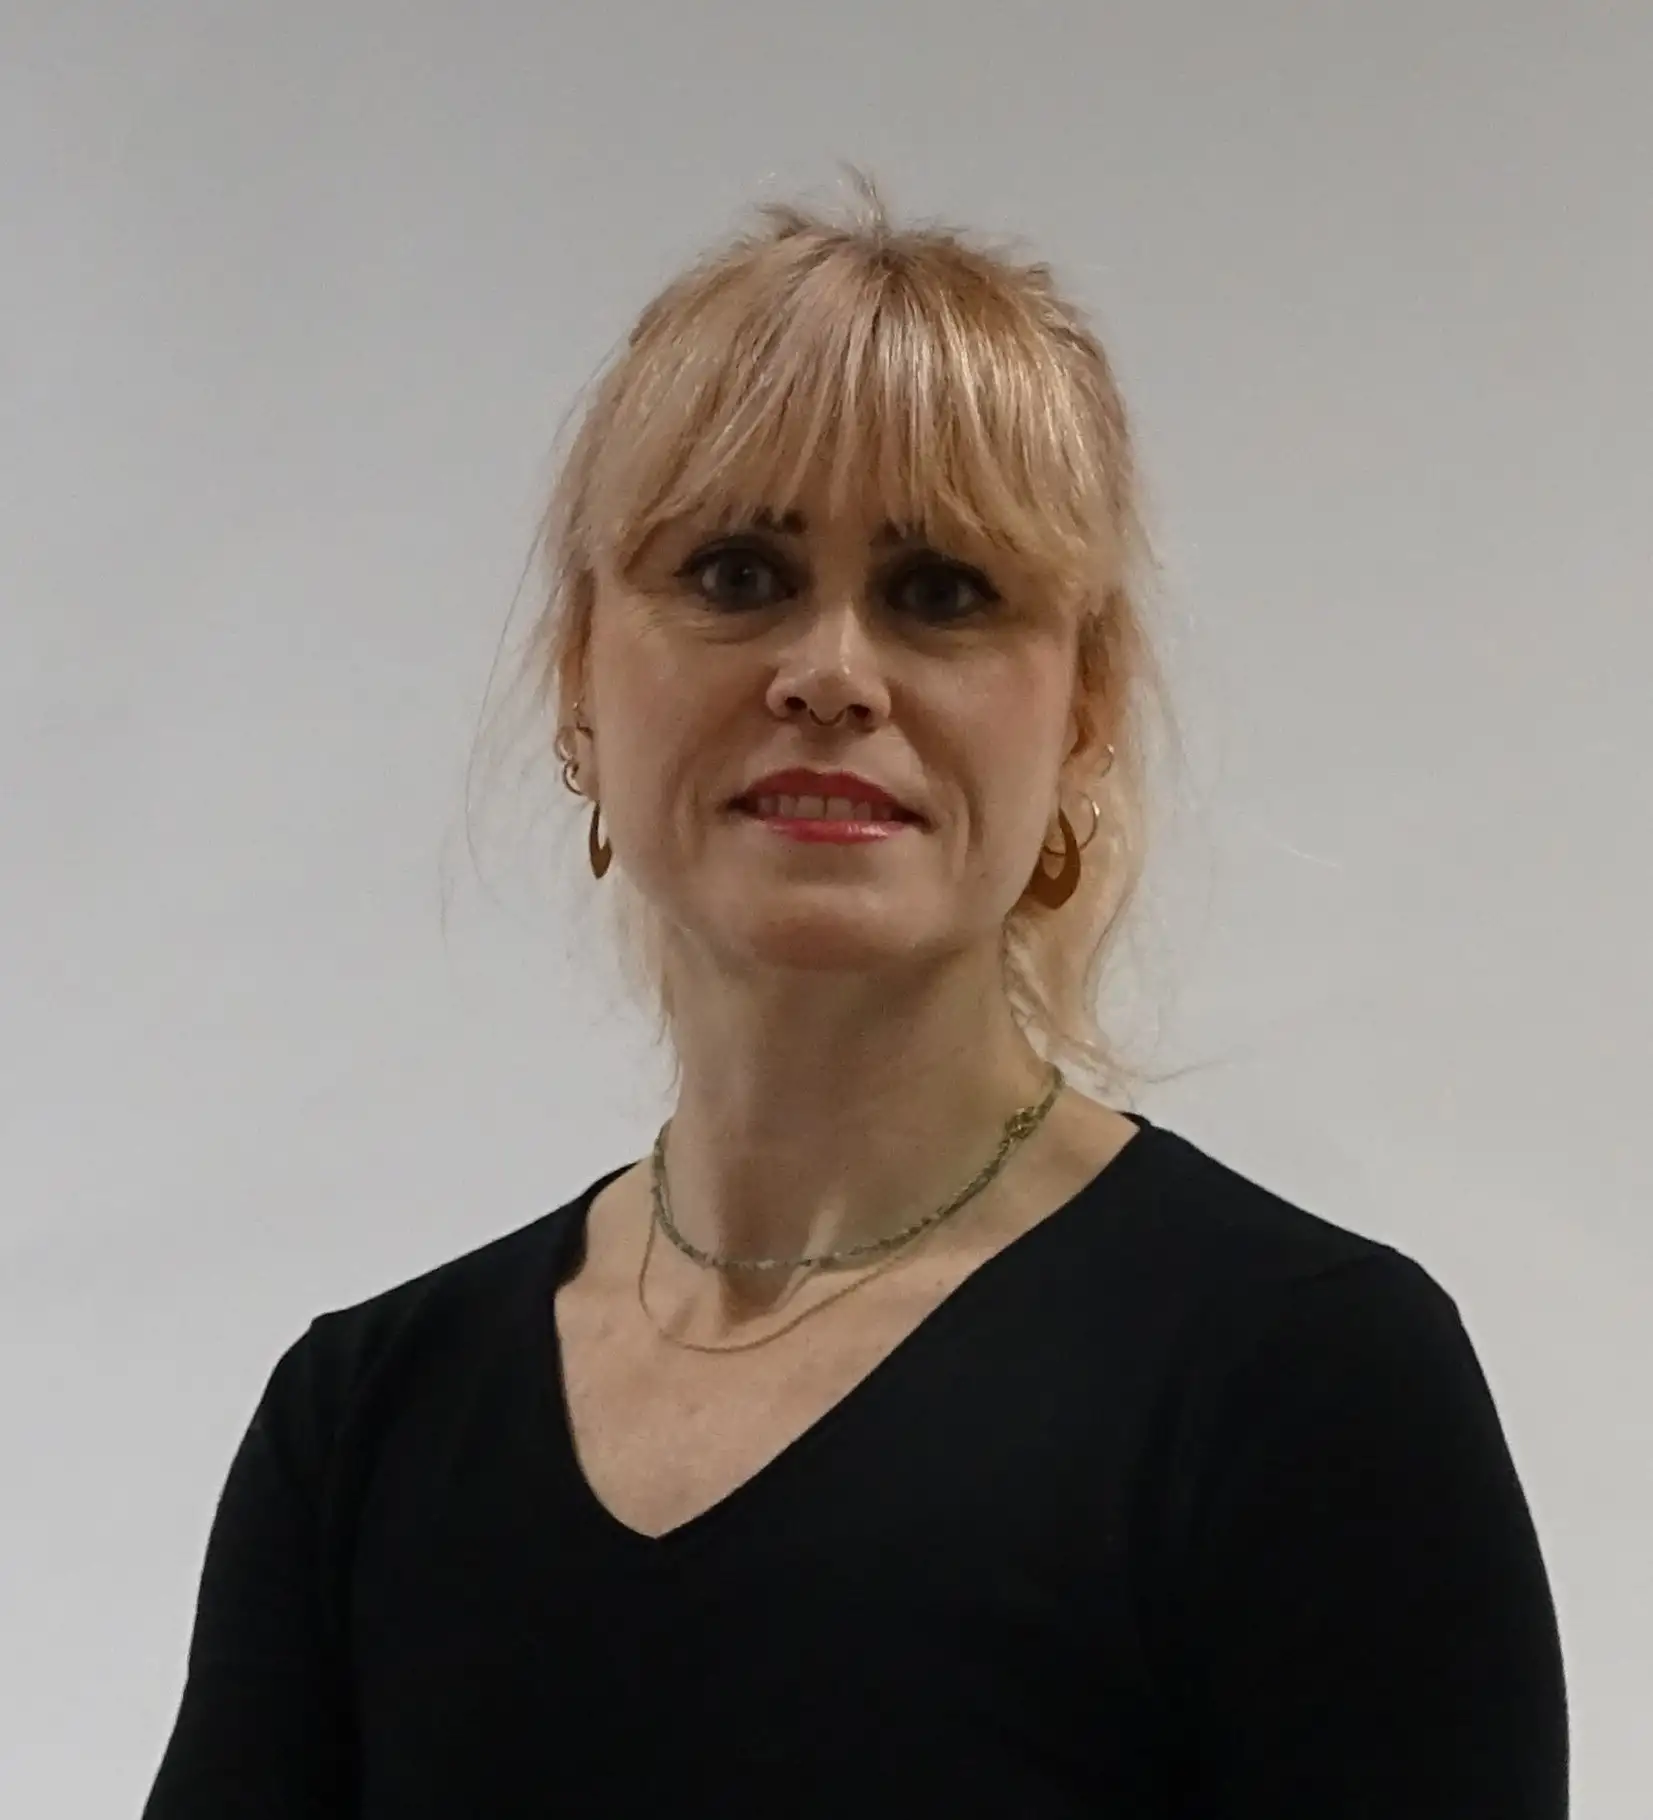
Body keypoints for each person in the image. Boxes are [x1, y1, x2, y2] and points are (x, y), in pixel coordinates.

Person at [141, 171, 1569, 1817]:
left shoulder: (1307, 1392)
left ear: (1084, 712)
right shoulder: (366, 1427)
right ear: (579, 674)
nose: (831, 671)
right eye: (737, 573)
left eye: (942, 590)